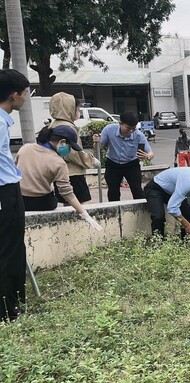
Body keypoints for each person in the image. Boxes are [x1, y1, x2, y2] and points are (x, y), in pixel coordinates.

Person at [15, 125, 101, 226]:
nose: (69, 151)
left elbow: (14, 172)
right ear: (62, 142)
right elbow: (67, 193)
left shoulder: (25, 148)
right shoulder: (58, 162)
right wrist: (84, 213)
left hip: (19, 200)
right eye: (69, 147)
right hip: (42, 203)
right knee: (53, 196)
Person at [0, 69, 29, 322]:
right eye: (24, 93)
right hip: (4, 192)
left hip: (9, 189)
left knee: (13, 246)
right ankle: (8, 310)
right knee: (9, 249)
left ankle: (15, 303)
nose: (25, 98)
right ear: (13, 95)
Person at [48, 92, 98, 204]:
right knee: (78, 206)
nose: (79, 112)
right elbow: (71, 152)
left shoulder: (54, 125)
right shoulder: (67, 127)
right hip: (72, 173)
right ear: (69, 109)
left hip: (60, 172)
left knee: (68, 205)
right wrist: (91, 160)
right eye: (77, 109)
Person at [93, 111, 153, 201]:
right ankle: (115, 213)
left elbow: (151, 153)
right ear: (120, 123)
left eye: (133, 129)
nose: (130, 131)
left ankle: (142, 212)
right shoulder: (109, 130)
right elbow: (98, 148)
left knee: (137, 191)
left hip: (131, 164)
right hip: (113, 164)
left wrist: (147, 156)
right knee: (113, 191)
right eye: (128, 128)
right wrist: (96, 142)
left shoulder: (138, 135)